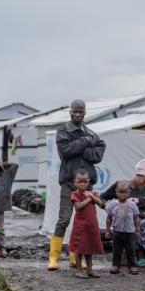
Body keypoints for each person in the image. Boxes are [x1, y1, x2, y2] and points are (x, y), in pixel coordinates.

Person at [49, 99, 105, 271]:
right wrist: (86, 142)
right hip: (68, 181)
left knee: (82, 222)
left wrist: (81, 146)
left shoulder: (91, 132)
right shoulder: (63, 131)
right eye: (75, 111)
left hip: (87, 183)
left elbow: (97, 155)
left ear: (85, 113)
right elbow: (66, 151)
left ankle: (76, 256)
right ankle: (54, 258)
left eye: (80, 112)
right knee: (64, 219)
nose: (77, 114)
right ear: (70, 112)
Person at [68, 171, 105, 278]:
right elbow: (78, 206)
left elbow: (101, 204)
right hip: (80, 226)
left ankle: (90, 270)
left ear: (89, 182)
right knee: (79, 248)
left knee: (90, 247)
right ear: (75, 183)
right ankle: (79, 270)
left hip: (91, 225)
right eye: (80, 182)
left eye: (85, 182)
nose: (83, 184)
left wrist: (93, 196)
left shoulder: (91, 193)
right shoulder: (75, 194)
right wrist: (90, 198)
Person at [105, 181, 141, 274]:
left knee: (131, 250)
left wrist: (138, 230)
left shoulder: (132, 205)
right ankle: (116, 265)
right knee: (117, 250)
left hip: (130, 232)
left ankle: (132, 266)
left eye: (125, 192)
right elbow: (109, 218)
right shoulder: (112, 205)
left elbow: (136, 218)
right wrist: (107, 230)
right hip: (117, 232)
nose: (122, 194)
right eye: (120, 192)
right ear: (116, 192)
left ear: (129, 192)